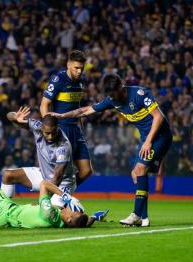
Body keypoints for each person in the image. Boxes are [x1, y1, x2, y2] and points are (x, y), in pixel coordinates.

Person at [50, 73, 172, 227]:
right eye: (110, 95)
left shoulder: (140, 94)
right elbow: (85, 111)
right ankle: (143, 217)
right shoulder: (113, 100)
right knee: (136, 173)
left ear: (121, 86)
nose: (112, 98)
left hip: (160, 136)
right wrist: (62, 115)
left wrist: (148, 141)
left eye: (114, 94)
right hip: (146, 138)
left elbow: (158, 117)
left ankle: (136, 214)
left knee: (140, 169)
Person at [0, 173, 100, 229]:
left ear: (68, 219)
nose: (69, 209)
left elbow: (44, 184)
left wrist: (65, 196)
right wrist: (93, 217)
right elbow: (82, 222)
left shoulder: (50, 214)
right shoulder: (64, 222)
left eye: (71, 212)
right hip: (10, 217)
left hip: (6, 210)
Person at [1, 106, 78, 209]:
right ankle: (4, 211)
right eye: (47, 133)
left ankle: (84, 216)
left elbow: (58, 176)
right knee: (8, 175)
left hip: (62, 183)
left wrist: (42, 201)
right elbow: (8, 116)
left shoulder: (63, 146)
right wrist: (15, 117)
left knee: (52, 212)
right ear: (41, 128)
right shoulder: (36, 126)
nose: (50, 137)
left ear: (58, 127)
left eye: (53, 133)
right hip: (43, 175)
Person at [40, 50, 93, 186]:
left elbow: (77, 105)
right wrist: (49, 130)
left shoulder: (81, 81)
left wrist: (80, 125)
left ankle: (66, 193)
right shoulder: (58, 80)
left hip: (76, 129)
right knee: (60, 172)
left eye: (82, 68)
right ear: (68, 65)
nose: (80, 71)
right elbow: (44, 105)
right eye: (76, 68)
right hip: (61, 129)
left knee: (86, 171)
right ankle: (49, 198)